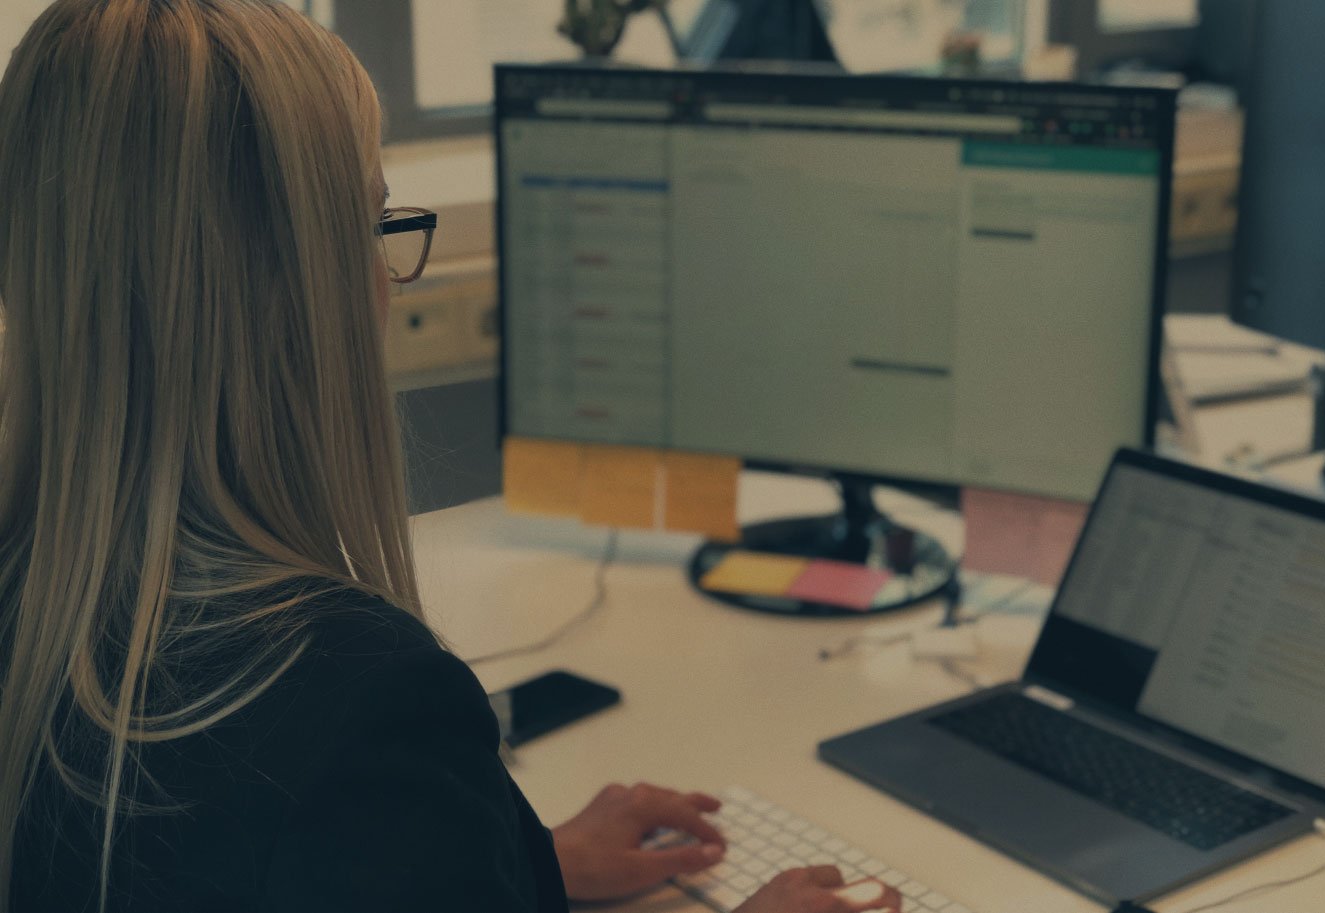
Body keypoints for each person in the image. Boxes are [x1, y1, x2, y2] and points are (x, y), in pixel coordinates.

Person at [0, 2, 903, 911]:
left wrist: (516, 857)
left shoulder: (36, 610)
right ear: (302, 285)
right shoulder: (364, 708)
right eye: (371, 223)